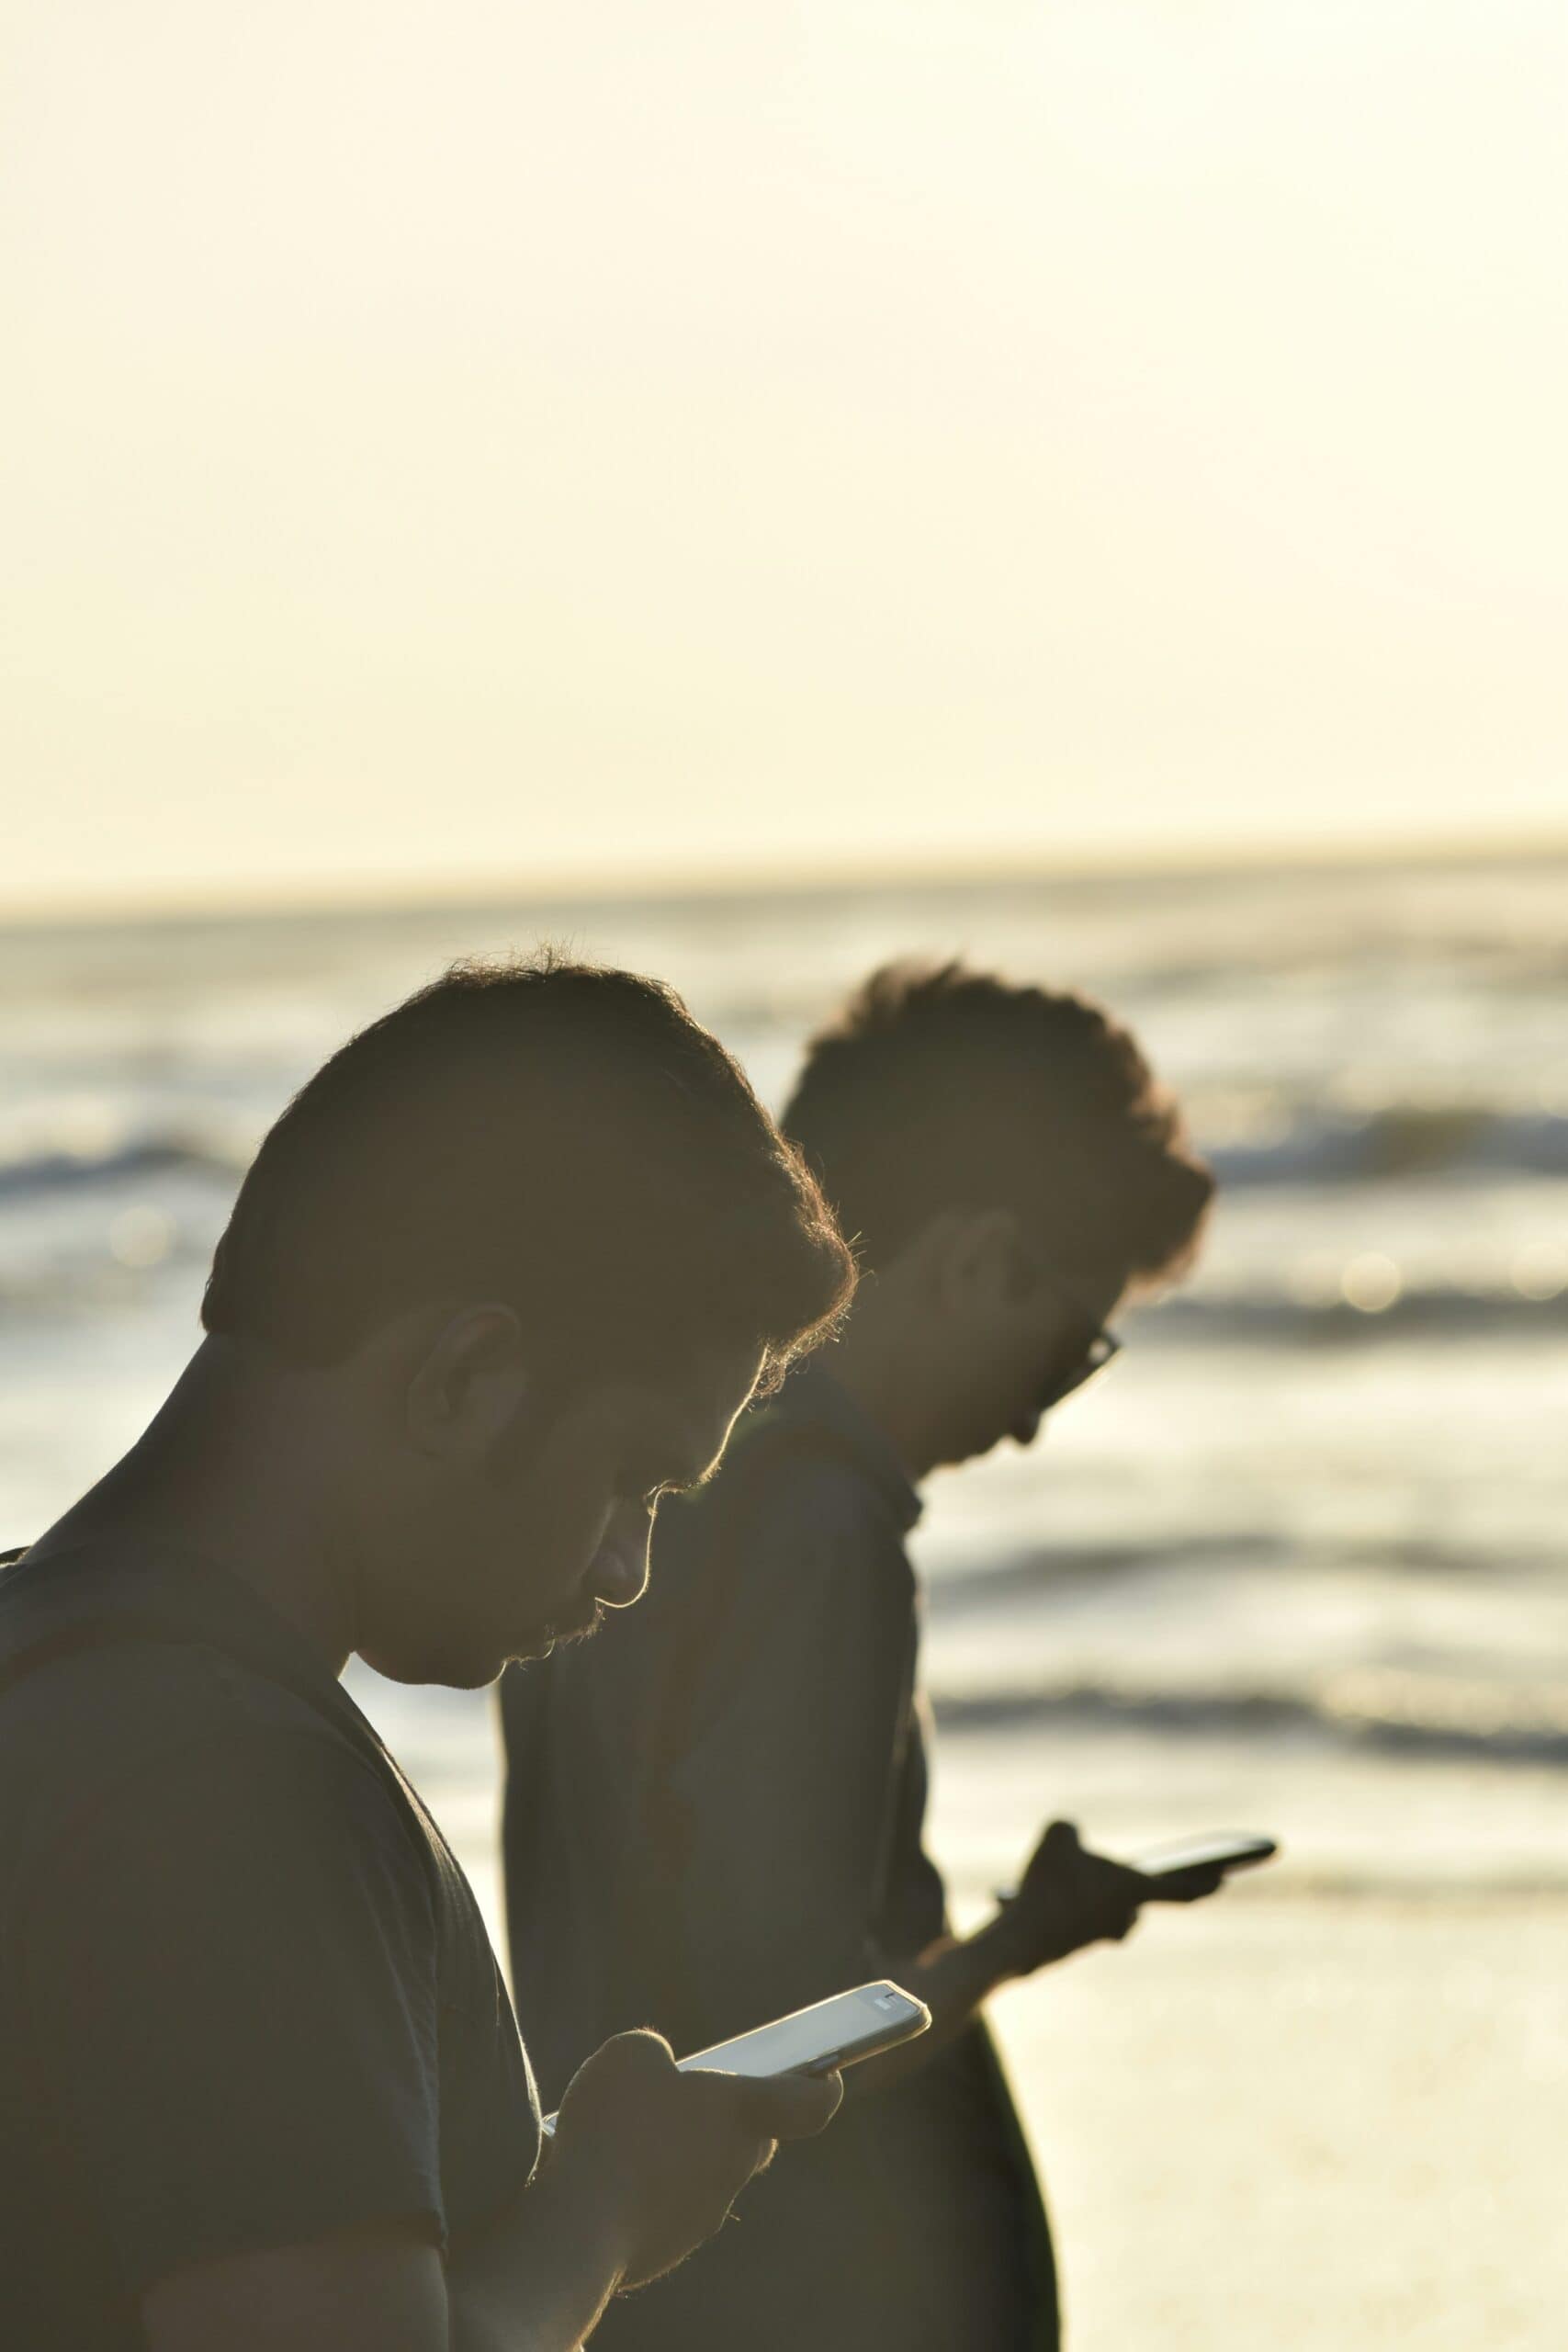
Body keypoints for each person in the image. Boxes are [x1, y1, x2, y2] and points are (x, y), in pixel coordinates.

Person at [0, 953, 859, 2352]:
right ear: (460, 1378)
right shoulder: (228, 1789)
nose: (627, 1572)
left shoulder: (49, 1668)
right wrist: (601, 2213)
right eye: (634, 1483)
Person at [502, 959, 1222, 2351]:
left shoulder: (620, 1500)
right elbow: (792, 2014)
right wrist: (1026, 1935)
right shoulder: (820, 1523)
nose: (1037, 1420)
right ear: (975, 1261)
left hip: (643, 2265)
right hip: (815, 2283)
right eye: (1071, 1346)